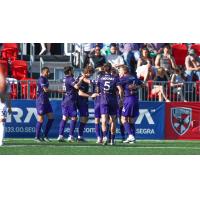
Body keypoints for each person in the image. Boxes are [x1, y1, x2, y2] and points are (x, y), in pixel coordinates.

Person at [96, 63, 123, 145]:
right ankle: (112, 140)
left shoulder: (100, 78)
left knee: (103, 119)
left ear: (104, 69)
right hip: (112, 100)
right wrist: (121, 99)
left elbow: (97, 90)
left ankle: (104, 137)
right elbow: (120, 90)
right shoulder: (114, 78)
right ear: (111, 69)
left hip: (103, 100)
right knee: (113, 120)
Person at [119, 65, 144, 144]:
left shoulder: (123, 79)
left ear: (124, 71)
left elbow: (118, 88)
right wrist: (135, 87)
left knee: (123, 119)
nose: (119, 72)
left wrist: (121, 98)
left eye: (120, 70)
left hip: (128, 99)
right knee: (131, 120)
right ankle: (133, 138)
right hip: (135, 99)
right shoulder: (134, 77)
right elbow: (143, 85)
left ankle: (130, 135)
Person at [76, 65, 96, 142]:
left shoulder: (84, 77)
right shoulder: (82, 78)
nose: (91, 75)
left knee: (85, 118)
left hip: (83, 100)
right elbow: (80, 93)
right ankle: (78, 136)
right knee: (83, 118)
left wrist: (92, 93)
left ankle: (79, 136)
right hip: (81, 100)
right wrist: (91, 95)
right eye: (91, 73)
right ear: (88, 72)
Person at [35, 67, 54, 142]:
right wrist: (57, 91)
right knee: (41, 119)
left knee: (51, 118)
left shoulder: (46, 79)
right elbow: (45, 89)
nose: (48, 73)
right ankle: (37, 137)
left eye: (48, 72)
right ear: (43, 72)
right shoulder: (41, 79)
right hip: (41, 101)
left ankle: (45, 136)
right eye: (47, 72)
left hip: (46, 101)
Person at [0, 77, 12, 146]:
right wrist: (10, 107)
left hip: (2, 105)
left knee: (2, 122)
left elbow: (8, 95)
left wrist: (9, 107)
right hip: (2, 105)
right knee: (2, 123)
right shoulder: (6, 81)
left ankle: (0, 141)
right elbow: (8, 96)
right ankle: (0, 142)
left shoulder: (6, 81)